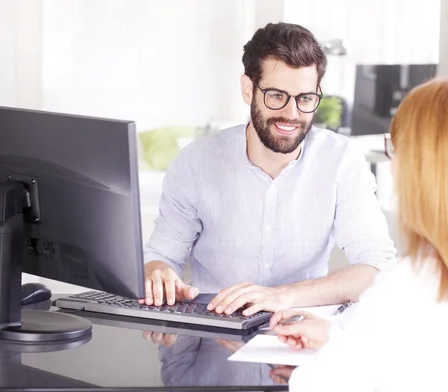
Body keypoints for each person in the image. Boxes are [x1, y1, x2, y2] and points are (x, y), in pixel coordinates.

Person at [269, 77, 448, 392]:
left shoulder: (409, 287)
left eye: (397, 149)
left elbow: (322, 390)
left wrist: (320, 365)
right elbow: (429, 367)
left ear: (427, 171)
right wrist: (341, 340)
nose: (393, 168)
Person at [140, 22, 396, 315]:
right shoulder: (195, 163)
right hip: (212, 339)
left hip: (301, 340)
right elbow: (160, 257)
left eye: (305, 98)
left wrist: (282, 297)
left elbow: (378, 269)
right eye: (276, 96)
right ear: (248, 89)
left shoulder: (341, 161)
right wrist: (158, 273)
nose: (291, 113)